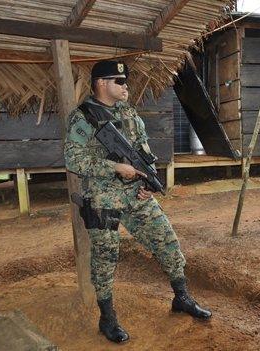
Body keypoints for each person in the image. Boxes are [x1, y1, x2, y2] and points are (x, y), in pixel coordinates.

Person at [63, 60, 212, 344]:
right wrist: (114, 168)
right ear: (101, 83)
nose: (125, 86)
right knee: (106, 259)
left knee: (166, 241)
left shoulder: (129, 112)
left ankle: (182, 298)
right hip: (103, 198)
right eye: (119, 81)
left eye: (125, 81)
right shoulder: (83, 117)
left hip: (135, 195)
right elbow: (73, 159)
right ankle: (107, 319)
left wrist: (147, 183)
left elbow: (142, 149)